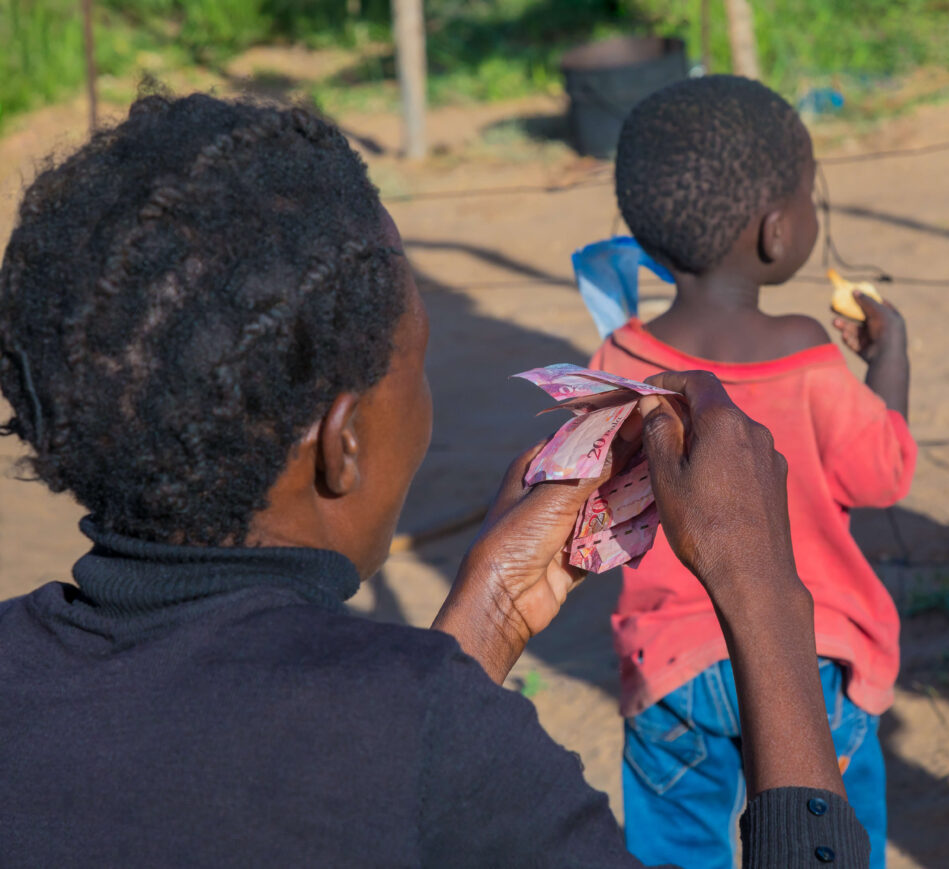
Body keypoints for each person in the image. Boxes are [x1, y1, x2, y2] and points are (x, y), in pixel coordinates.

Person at [0, 93, 868, 867]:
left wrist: (489, 617)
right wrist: (765, 598)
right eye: (418, 363)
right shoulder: (441, 744)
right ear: (342, 444)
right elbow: (398, 773)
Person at [589, 75, 916, 869]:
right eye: (809, 195)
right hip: (809, 663)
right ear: (776, 231)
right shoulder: (806, 355)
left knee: (675, 851)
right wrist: (890, 358)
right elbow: (883, 475)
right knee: (828, 839)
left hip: (670, 667)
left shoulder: (618, 358)